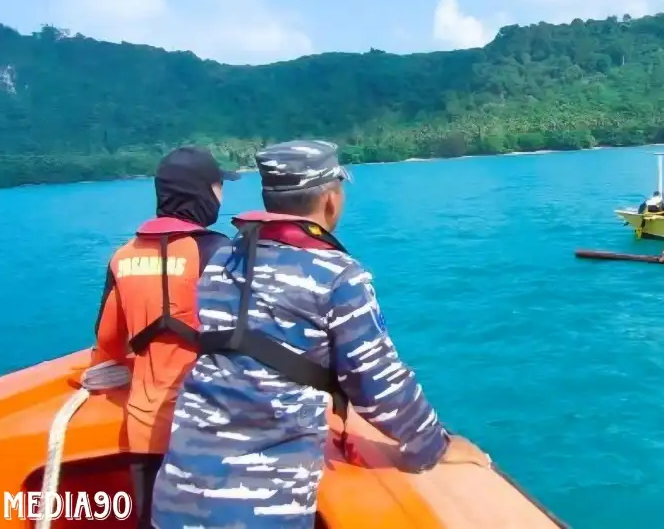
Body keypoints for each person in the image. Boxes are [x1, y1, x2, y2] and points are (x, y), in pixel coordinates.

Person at [151, 140, 490, 529]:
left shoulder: (223, 260)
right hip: (260, 508)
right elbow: (378, 383)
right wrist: (434, 445)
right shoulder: (337, 275)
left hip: (176, 494)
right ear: (331, 199)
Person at [89, 146, 240, 529]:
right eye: (219, 186)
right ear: (203, 193)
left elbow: (107, 344)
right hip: (205, 433)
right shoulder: (222, 253)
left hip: (143, 434)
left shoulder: (122, 257)